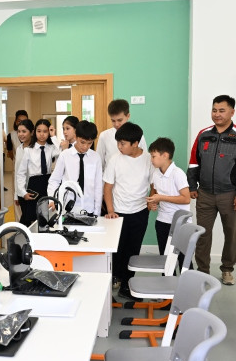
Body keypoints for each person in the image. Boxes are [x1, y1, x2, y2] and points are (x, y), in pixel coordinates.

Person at [187, 95, 236, 286]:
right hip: (205, 194)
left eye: (222, 110)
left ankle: (227, 269)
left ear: (232, 112)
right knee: (203, 234)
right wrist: (192, 186)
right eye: (214, 110)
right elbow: (194, 162)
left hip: (230, 195)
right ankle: (203, 271)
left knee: (231, 234)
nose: (217, 114)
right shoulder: (203, 134)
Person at [103, 122, 153, 300]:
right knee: (116, 250)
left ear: (135, 143)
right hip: (118, 213)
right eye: (118, 143)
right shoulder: (115, 159)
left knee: (133, 250)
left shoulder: (148, 159)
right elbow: (108, 187)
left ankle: (126, 285)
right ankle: (112, 281)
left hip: (140, 212)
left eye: (123, 143)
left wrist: (151, 201)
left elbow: (154, 184)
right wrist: (110, 210)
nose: (119, 147)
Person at [147, 137, 191, 256]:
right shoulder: (156, 173)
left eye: (153, 156)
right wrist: (152, 203)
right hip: (162, 221)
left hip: (180, 222)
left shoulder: (178, 173)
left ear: (165, 156)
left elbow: (186, 199)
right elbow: (155, 193)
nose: (151, 160)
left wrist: (160, 198)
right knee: (165, 257)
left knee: (182, 258)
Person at [47, 120, 102, 216]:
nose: (85, 147)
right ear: (76, 136)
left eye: (89, 143)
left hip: (89, 207)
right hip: (68, 208)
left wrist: (97, 211)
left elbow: (98, 186)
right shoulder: (65, 155)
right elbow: (54, 180)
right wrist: (52, 199)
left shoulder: (95, 157)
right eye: (82, 142)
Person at [15, 118, 60, 225]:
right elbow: (21, 173)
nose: (42, 134)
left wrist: (53, 136)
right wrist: (22, 192)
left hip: (47, 183)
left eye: (45, 131)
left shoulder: (51, 148)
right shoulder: (28, 150)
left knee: (46, 216)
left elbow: (60, 152)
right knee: (32, 218)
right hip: (34, 184)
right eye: (39, 131)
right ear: (34, 132)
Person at [97, 99, 147, 169]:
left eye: (119, 120)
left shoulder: (138, 136)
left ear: (128, 116)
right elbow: (99, 163)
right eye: (113, 121)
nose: (116, 124)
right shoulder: (104, 136)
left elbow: (144, 159)